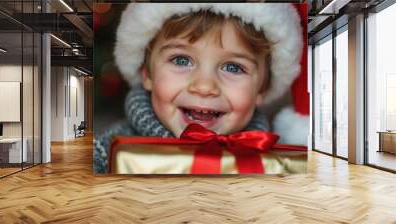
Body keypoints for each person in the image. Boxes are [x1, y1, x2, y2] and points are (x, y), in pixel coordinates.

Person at [94, 3, 303, 173]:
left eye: (233, 67)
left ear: (261, 89)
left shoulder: (280, 160)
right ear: (147, 74)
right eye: (181, 60)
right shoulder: (107, 151)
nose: (204, 87)